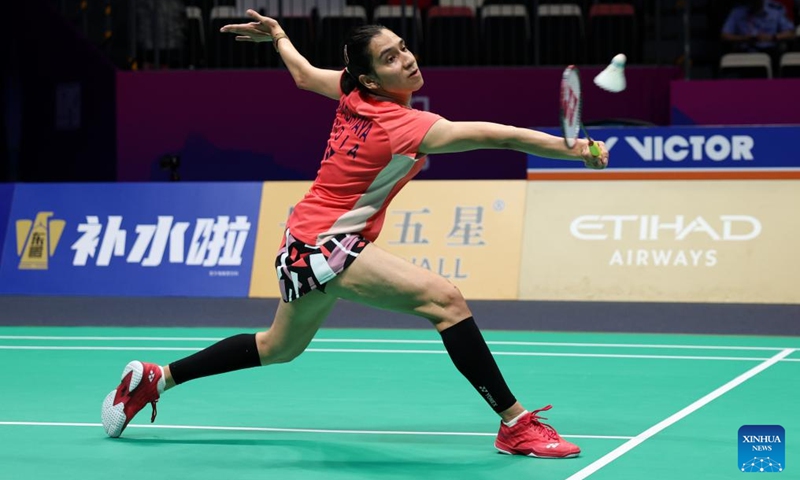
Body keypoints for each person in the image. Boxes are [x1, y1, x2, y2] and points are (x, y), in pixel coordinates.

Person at [100, 10, 609, 459]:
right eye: (390, 58)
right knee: (446, 301)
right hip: (325, 242)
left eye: (404, 48)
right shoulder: (409, 126)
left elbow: (301, 76)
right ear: (369, 76)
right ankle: (516, 423)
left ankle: (155, 377)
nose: (406, 60)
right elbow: (500, 136)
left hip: (304, 238)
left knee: (279, 347)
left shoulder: (349, 91)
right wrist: (578, 149)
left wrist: (278, 36)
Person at [721, 0, 796, 68]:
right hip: (744, 52)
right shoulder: (737, 11)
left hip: (770, 52)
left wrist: (772, 37)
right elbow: (725, 35)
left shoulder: (775, 10)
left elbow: (791, 33)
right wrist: (745, 38)